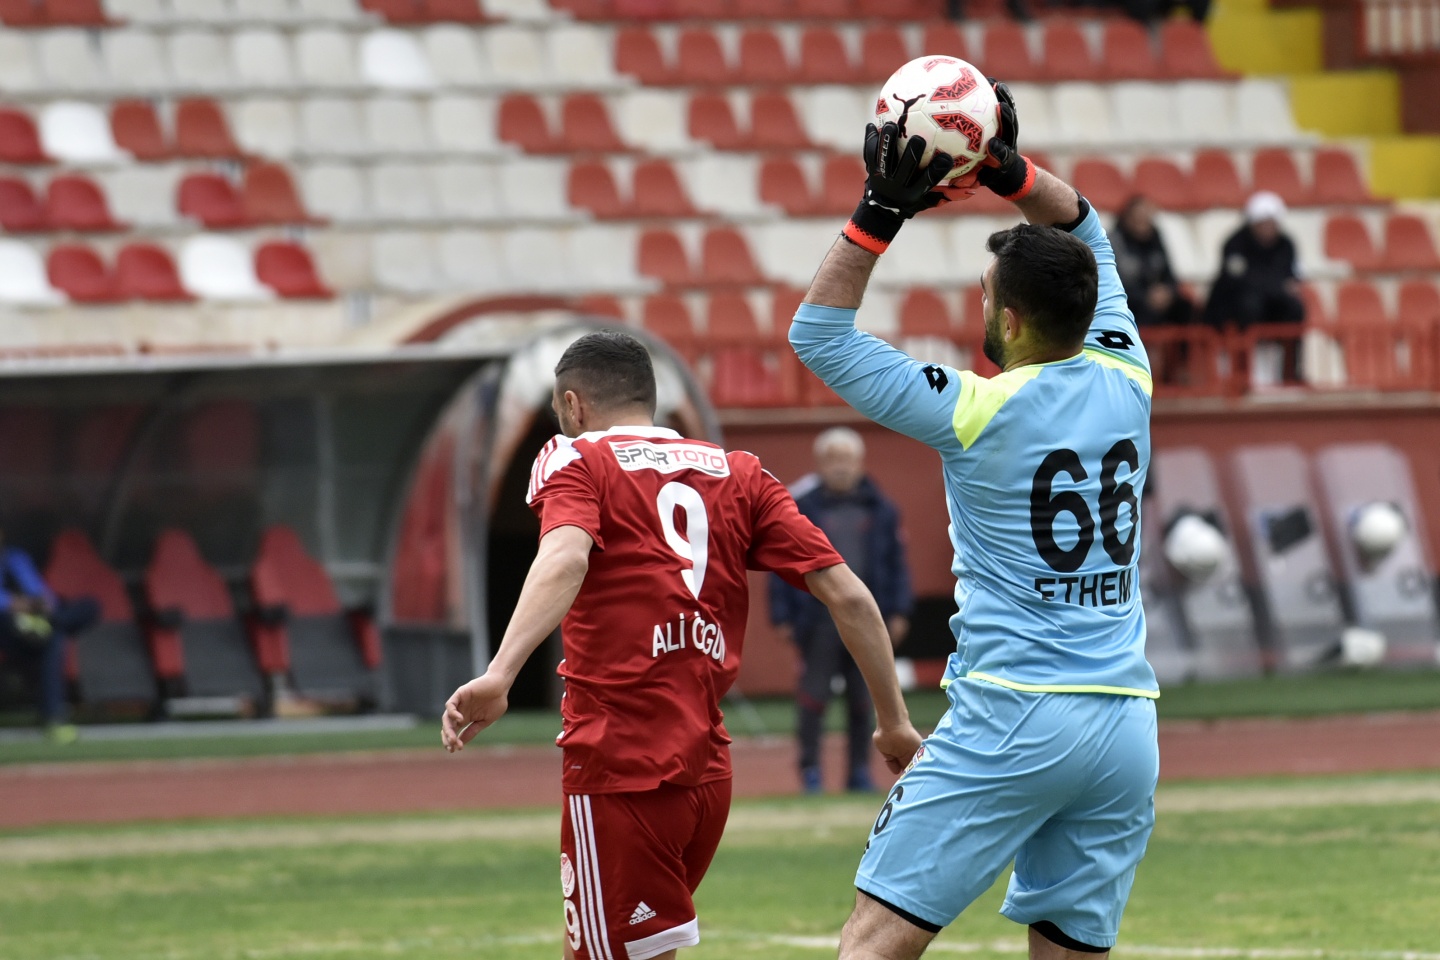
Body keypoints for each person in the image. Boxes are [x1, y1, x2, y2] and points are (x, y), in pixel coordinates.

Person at [791, 82, 1159, 959]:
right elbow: (1086, 231)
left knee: (873, 940)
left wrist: (880, 210)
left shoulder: (974, 411)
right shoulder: (1129, 373)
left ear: (1013, 318)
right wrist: (1006, 168)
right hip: (1124, 723)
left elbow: (819, 335)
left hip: (1014, 714)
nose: (980, 305)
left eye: (988, 292)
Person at [440, 331, 921, 960]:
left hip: (618, 767)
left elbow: (563, 557)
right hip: (706, 775)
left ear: (573, 405)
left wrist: (501, 674)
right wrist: (894, 722)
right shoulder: (740, 471)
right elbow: (852, 599)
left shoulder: (574, 459)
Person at [769, 426, 912, 795]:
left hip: (869, 620)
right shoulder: (801, 506)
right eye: (833, 459)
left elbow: (898, 564)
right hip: (818, 621)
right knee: (813, 697)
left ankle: (860, 772)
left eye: (847, 459)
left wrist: (898, 611)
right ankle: (811, 771)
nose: (840, 467)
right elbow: (779, 563)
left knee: (865, 699)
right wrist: (782, 614)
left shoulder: (882, 509)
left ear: (860, 463)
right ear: (819, 463)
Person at [0, 527, 98, 739]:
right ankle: (53, 719)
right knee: (53, 638)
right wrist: (15, 604)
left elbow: (39, 590)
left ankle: (55, 623)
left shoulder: (16, 557)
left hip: (39, 619)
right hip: (8, 626)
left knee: (90, 606)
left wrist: (45, 604)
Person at [1203, 191, 1306, 383]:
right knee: (1249, 304)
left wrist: (1276, 286)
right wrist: (1276, 285)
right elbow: (1239, 282)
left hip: (1270, 304)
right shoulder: (1235, 244)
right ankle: (1243, 372)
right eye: (1263, 222)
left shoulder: (1286, 244)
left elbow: (1292, 278)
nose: (1268, 228)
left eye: (1272, 222)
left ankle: (1291, 373)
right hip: (1231, 306)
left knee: (1295, 308)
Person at [1112, 195, 1194, 330]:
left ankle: (1184, 351)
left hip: (1157, 298)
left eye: (1146, 218)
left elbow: (1169, 275)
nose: (1143, 223)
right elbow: (1114, 282)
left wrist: (1167, 292)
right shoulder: (1115, 241)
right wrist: (1146, 296)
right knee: (1143, 311)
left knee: (1185, 307)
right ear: (1127, 218)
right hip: (1130, 300)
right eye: (1138, 218)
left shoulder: (1155, 238)